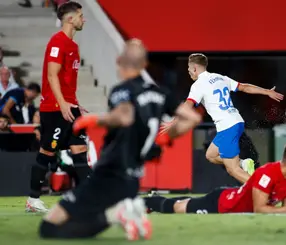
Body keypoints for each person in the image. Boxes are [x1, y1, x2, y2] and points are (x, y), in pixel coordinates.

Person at [38, 39, 202, 240]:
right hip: (132, 180)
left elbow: (124, 116)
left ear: (119, 62)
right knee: (91, 221)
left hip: (109, 173)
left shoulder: (122, 90)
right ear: (144, 65)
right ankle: (118, 213)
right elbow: (193, 118)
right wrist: (166, 137)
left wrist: (95, 119)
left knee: (48, 228)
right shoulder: (160, 93)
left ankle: (118, 213)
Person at [162, 53, 283, 184]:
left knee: (233, 170)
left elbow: (187, 106)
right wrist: (267, 92)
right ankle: (243, 163)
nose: (189, 72)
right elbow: (245, 87)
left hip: (227, 126)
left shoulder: (198, 85)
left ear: (195, 68)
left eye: (189, 69)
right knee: (211, 155)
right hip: (236, 121)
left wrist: (174, 122)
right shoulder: (220, 78)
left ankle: (265, 190)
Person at [26, 1, 89, 213]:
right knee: (48, 151)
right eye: (80, 15)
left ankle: (88, 199)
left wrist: (75, 104)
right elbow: (52, 75)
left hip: (70, 107)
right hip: (54, 109)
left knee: (80, 150)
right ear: (70, 19)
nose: (83, 19)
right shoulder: (57, 42)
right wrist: (62, 104)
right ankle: (33, 199)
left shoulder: (74, 46)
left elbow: (67, 81)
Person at [145, 142, 286, 214]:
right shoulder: (267, 174)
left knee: (186, 202)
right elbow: (260, 209)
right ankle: (146, 202)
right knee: (178, 208)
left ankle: (153, 200)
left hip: (232, 198)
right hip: (222, 205)